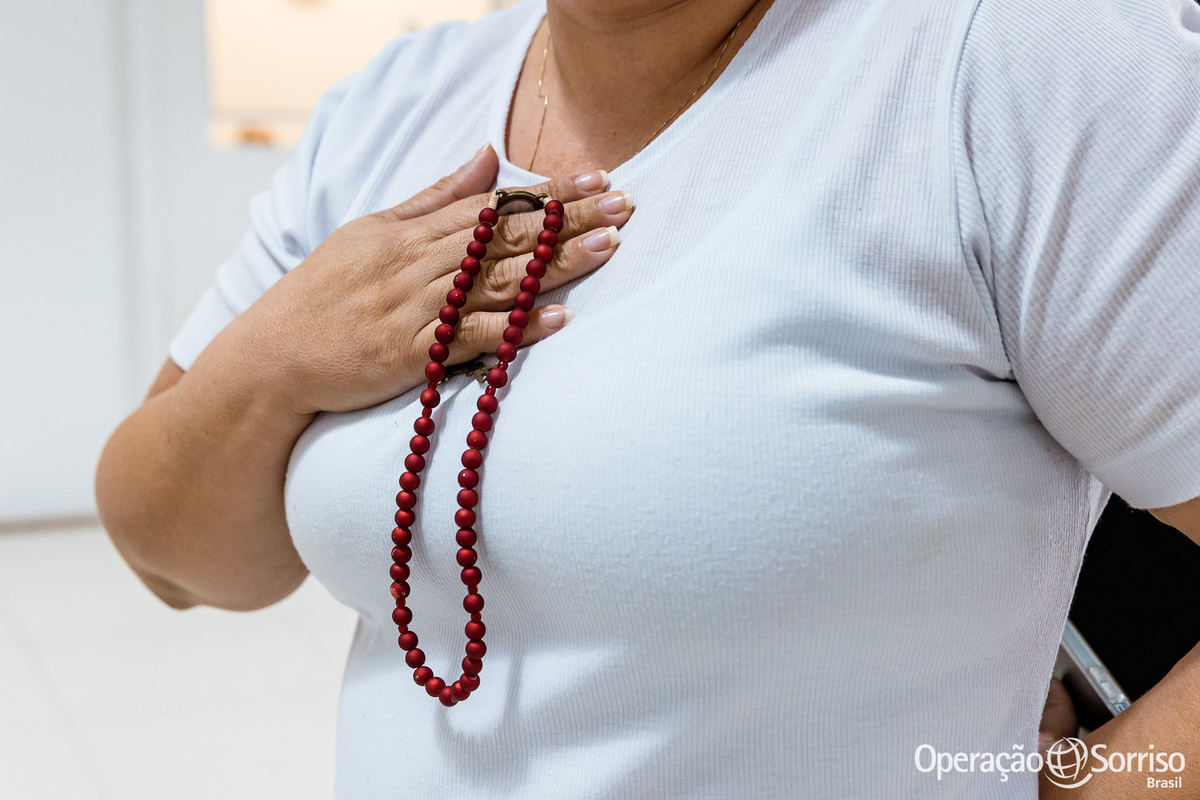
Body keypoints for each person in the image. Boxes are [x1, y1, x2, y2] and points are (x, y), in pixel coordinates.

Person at [95, 0, 1200, 796]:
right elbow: (178, 562)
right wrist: (280, 353)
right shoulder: (394, 107)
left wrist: (1110, 783)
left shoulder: (1012, 61)